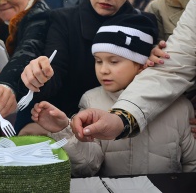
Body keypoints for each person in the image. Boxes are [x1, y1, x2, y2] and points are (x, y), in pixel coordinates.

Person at [31, 14, 196, 176]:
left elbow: (191, 163)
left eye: (114, 61)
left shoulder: (178, 106)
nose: (103, 70)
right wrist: (63, 129)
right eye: (98, 61)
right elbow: (88, 165)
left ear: (142, 64)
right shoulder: (91, 101)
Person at [17, 0, 157, 134]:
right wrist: (41, 76)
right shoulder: (63, 20)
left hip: (129, 134)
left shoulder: (146, 26)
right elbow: (54, 75)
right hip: (72, 132)